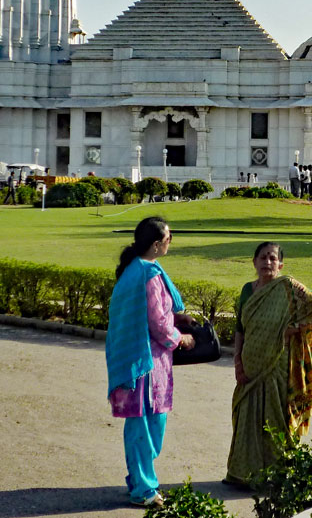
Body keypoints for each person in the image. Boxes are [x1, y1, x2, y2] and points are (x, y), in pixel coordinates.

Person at [225, 242, 312, 487]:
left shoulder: (289, 288)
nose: (267, 262)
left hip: (278, 364)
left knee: (275, 417)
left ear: (281, 265)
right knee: (246, 416)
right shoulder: (247, 291)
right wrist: (237, 361)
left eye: (273, 258)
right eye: (262, 257)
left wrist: (295, 329)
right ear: (253, 262)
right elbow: (240, 330)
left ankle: (276, 478)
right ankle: (241, 474)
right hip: (250, 365)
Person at [105, 217, 195, 508]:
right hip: (145, 362)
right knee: (146, 426)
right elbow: (158, 324)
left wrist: (176, 317)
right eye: (169, 238)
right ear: (157, 244)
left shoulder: (133, 270)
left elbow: (151, 312)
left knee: (142, 424)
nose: (170, 243)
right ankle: (143, 489)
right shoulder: (149, 274)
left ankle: (139, 479)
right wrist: (181, 338)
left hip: (134, 358)